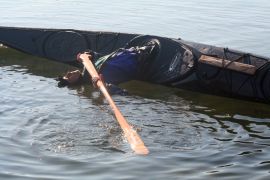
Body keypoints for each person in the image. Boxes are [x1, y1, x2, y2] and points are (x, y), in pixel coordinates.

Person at [57, 42, 158, 94]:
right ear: (75, 83)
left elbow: (101, 57)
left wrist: (88, 54)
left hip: (134, 52)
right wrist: (105, 86)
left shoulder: (89, 67)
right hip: (140, 61)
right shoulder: (95, 81)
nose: (69, 73)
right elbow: (123, 93)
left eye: (67, 74)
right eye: (68, 77)